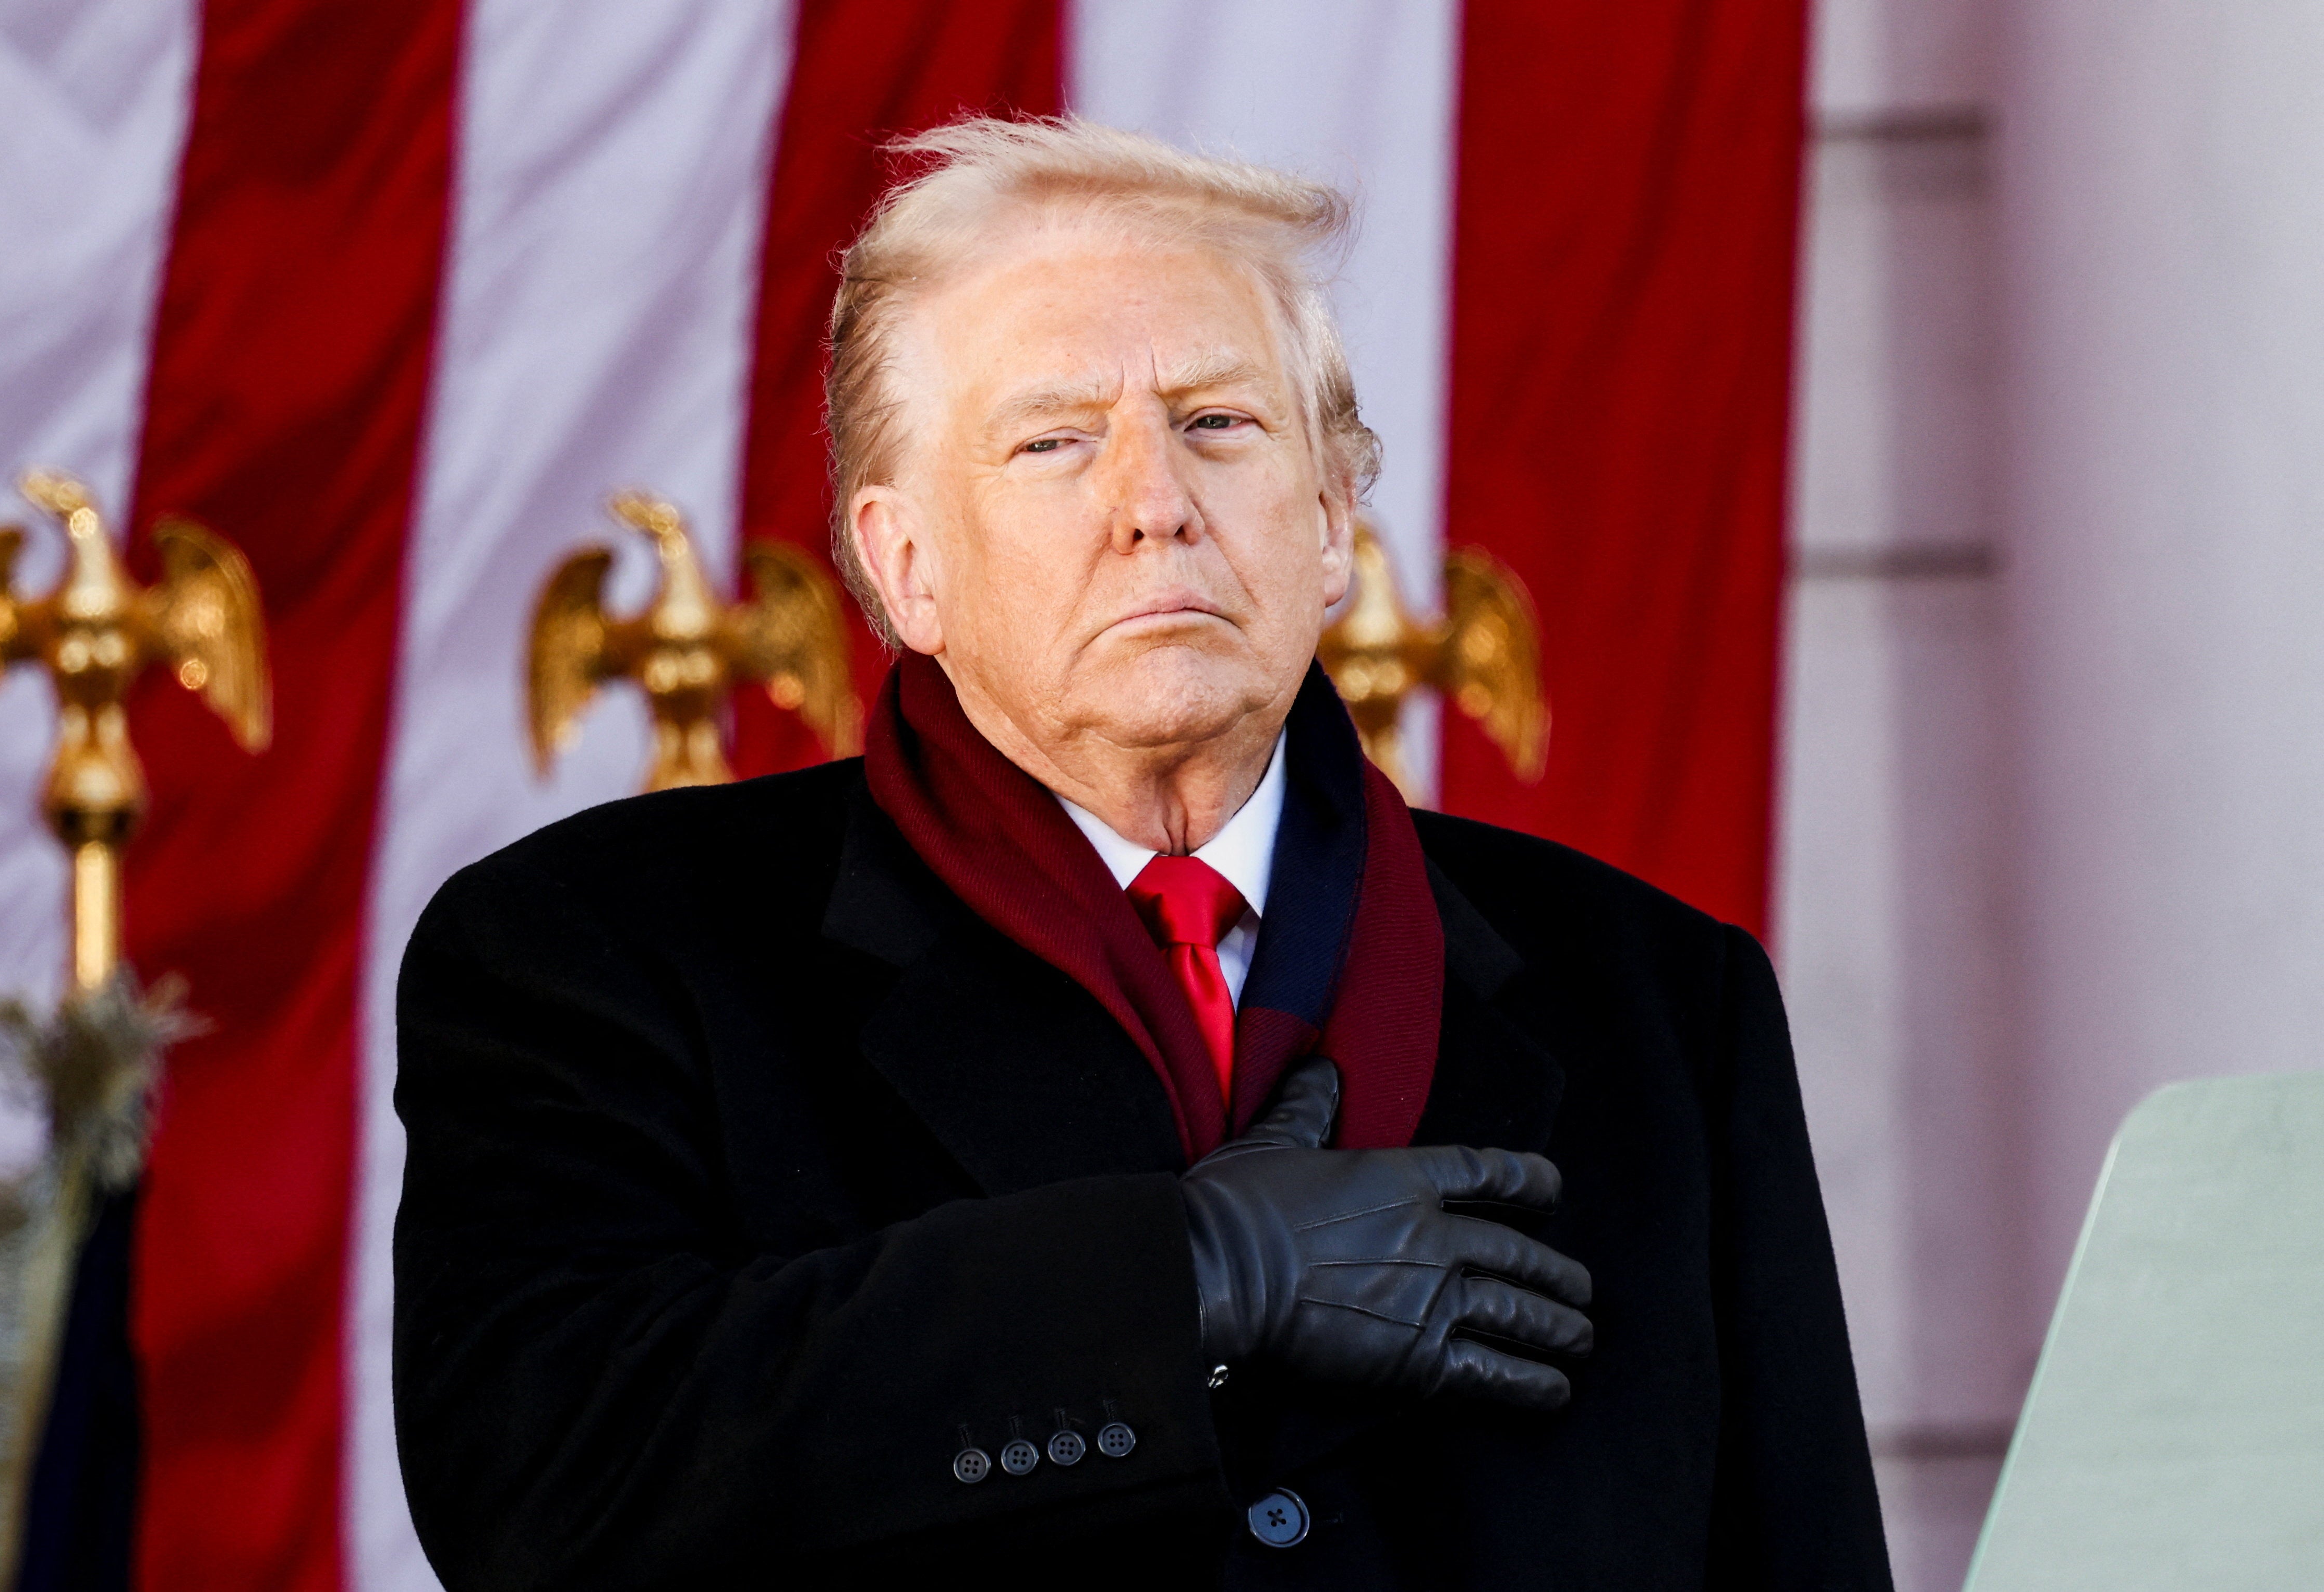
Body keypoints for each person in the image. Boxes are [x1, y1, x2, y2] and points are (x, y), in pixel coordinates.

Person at [392, 117, 1890, 1588]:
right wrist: (1176, 1277)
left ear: (1327, 523)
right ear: (903, 563)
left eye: (1216, 423)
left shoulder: (1662, 997)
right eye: (1053, 440)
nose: (1153, 505)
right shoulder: (590, 948)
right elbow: (542, 1488)